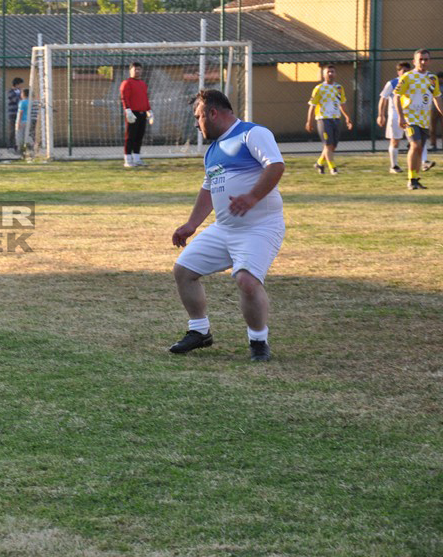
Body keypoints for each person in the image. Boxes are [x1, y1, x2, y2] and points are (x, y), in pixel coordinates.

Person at [169, 89, 285, 362]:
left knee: (246, 281)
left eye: (198, 117)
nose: (197, 125)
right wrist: (192, 224)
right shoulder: (212, 151)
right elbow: (208, 189)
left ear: (212, 112)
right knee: (183, 270)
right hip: (225, 229)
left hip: (260, 227)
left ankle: (258, 341)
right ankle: (199, 331)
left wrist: (252, 197)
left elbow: (276, 166)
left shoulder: (252, 134)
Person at [393, 49, 443, 190]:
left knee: (420, 149)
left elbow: (437, 98)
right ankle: (410, 179)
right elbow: (397, 96)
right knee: (415, 145)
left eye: (426, 59)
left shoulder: (432, 79)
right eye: (420, 59)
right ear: (414, 61)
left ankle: (415, 179)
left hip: (424, 119)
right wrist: (401, 116)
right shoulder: (407, 77)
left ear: (430, 61)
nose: (423, 62)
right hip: (410, 118)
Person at [305, 64, 352, 175]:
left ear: (335, 74)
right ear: (324, 74)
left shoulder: (339, 88)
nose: (330, 74)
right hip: (323, 119)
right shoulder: (319, 88)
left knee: (332, 146)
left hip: (336, 119)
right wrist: (309, 121)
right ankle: (333, 168)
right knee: (328, 145)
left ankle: (320, 163)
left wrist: (347, 118)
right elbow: (312, 105)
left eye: (332, 72)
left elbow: (342, 104)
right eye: (328, 72)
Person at [377, 61, 412, 173]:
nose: (406, 73)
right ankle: (394, 166)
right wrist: (381, 115)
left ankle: (422, 162)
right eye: (404, 71)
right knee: (395, 141)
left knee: (416, 140)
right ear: (398, 72)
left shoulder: (413, 82)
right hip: (395, 116)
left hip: (410, 116)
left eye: (408, 71)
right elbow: (383, 98)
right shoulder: (392, 83)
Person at [119, 62, 152, 168]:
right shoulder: (127, 83)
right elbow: (125, 97)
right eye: (135, 69)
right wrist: (127, 110)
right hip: (132, 113)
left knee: (139, 136)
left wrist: (149, 110)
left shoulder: (143, 84)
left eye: (139, 69)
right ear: (130, 70)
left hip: (142, 113)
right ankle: (127, 160)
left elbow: (145, 99)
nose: (137, 71)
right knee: (130, 137)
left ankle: (137, 159)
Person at [7, 77, 24, 152]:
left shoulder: (21, 92)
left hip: (21, 113)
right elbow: (16, 100)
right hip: (13, 113)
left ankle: (19, 145)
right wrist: (21, 96)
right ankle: (11, 145)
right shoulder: (11, 92)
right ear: (17, 84)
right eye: (20, 84)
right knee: (12, 130)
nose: (21, 86)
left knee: (20, 130)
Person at [15, 88, 31, 152]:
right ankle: (27, 147)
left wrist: (18, 122)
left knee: (19, 135)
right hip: (28, 121)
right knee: (26, 135)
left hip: (22, 121)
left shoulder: (22, 102)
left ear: (23, 94)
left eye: (21, 93)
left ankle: (20, 148)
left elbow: (20, 112)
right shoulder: (30, 102)